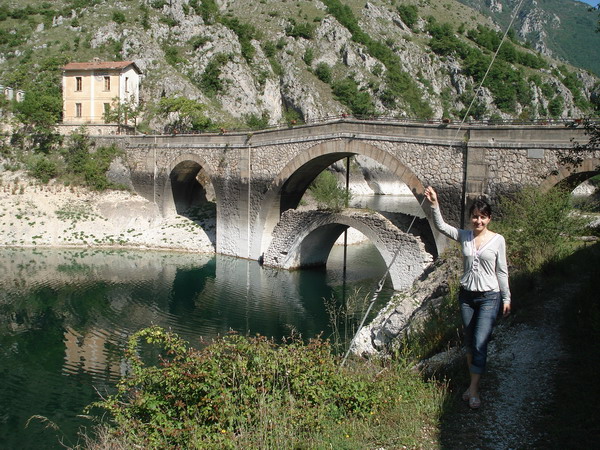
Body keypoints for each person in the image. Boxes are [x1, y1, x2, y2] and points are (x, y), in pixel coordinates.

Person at [424, 186, 511, 409]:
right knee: (470, 342)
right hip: (466, 297)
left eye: (482, 217)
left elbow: (502, 270)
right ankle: (473, 383)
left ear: (489, 219)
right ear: (470, 218)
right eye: (474, 217)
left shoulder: (498, 240)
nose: (478, 221)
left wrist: (506, 297)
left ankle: (473, 389)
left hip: (489, 297)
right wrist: (434, 204)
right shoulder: (465, 236)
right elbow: (442, 227)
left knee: (480, 342)